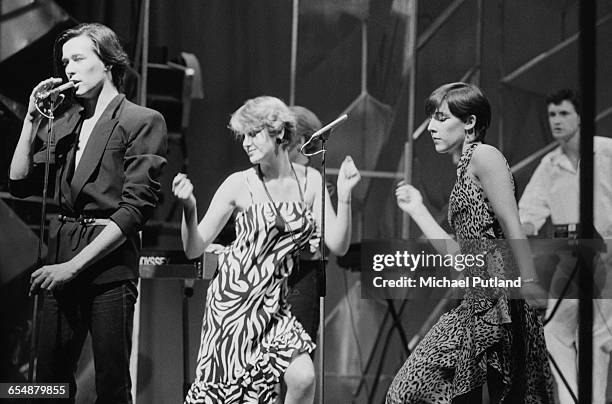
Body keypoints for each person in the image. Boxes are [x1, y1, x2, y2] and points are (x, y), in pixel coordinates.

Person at [8, 23, 167, 403]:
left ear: (109, 62)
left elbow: (133, 211)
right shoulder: (66, 122)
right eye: (65, 62)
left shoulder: (141, 120)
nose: (69, 70)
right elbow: (19, 181)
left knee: (111, 382)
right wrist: (31, 121)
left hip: (107, 264)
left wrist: (73, 267)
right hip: (60, 255)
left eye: (79, 59)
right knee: (48, 381)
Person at [173, 96, 360, 403]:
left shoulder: (311, 181)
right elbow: (194, 248)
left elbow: (337, 243)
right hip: (235, 303)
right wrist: (189, 208)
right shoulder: (238, 184)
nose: (246, 143)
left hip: (275, 305)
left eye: (254, 134)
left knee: (303, 377)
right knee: (235, 396)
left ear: (280, 134)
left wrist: (345, 194)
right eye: (243, 136)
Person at [386, 82, 553, 403]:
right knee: (421, 393)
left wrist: (529, 279)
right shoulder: (464, 171)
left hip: (502, 300)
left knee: (413, 391)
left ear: (470, 122)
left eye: (440, 118)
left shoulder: (484, 155)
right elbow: (461, 257)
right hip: (477, 301)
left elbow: (511, 221)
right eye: (431, 119)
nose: (432, 127)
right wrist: (418, 209)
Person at [518, 88, 612, 404]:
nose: (556, 121)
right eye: (552, 115)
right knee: (555, 331)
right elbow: (528, 214)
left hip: (607, 258)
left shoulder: (607, 153)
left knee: (597, 337)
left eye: (563, 114)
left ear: (580, 117)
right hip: (570, 259)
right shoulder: (549, 165)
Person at [286, 105, 325, 343]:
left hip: (300, 281)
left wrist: (345, 196)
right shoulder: (255, 179)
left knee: (297, 367)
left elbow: (328, 244)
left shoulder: (315, 182)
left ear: (299, 140)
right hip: (263, 284)